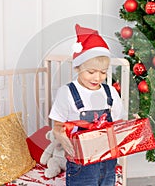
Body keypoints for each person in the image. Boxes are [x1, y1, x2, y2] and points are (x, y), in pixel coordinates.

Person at [48, 24, 126, 186]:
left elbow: (119, 122)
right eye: (91, 72)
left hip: (108, 160)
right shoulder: (67, 92)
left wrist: (131, 125)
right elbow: (57, 125)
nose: (97, 78)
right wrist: (62, 138)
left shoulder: (110, 92)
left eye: (103, 72)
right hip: (81, 165)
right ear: (78, 67)